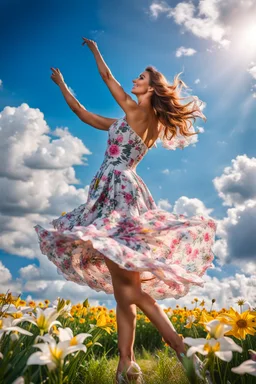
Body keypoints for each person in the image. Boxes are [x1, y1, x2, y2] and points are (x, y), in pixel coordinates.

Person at [34, 37, 217, 384]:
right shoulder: (132, 121)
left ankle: (182, 351)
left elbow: (108, 80)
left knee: (129, 291)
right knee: (124, 292)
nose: (134, 82)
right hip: (124, 191)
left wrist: (95, 51)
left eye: (140, 79)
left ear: (150, 89)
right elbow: (82, 114)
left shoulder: (137, 112)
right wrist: (63, 86)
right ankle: (126, 367)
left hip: (117, 191)